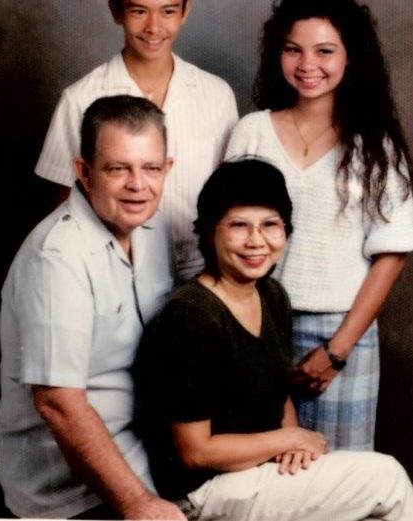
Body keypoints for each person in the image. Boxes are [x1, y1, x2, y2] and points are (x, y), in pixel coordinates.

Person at [134, 158, 413, 521]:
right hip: (201, 489)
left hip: (255, 471)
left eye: (270, 225)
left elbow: (278, 394)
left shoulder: (272, 295)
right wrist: (289, 440)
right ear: (208, 232)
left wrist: (294, 442)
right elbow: (194, 452)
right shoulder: (190, 315)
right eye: (238, 226)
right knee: (386, 480)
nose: (256, 241)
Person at [225, 0, 413, 450]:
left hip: (341, 333)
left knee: (339, 486)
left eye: (324, 51)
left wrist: (336, 351)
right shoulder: (252, 132)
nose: (308, 65)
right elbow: (222, 232)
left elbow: (392, 253)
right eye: (294, 50)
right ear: (278, 55)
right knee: (265, 477)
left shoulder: (376, 146)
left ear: (350, 57)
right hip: (256, 323)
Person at [0, 96, 186, 520]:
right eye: (118, 168)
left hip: (145, 460)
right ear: (83, 172)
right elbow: (58, 403)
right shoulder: (58, 256)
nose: (139, 185)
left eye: (151, 168)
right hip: (71, 491)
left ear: (167, 169)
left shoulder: (152, 230)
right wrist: (137, 503)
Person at [35, 0, 238, 280]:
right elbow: (62, 211)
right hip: (113, 273)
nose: (153, 27)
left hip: (202, 273)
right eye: (139, 11)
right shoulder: (80, 99)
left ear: (186, 10)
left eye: (168, 11)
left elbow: (230, 194)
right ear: (116, 11)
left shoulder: (217, 95)